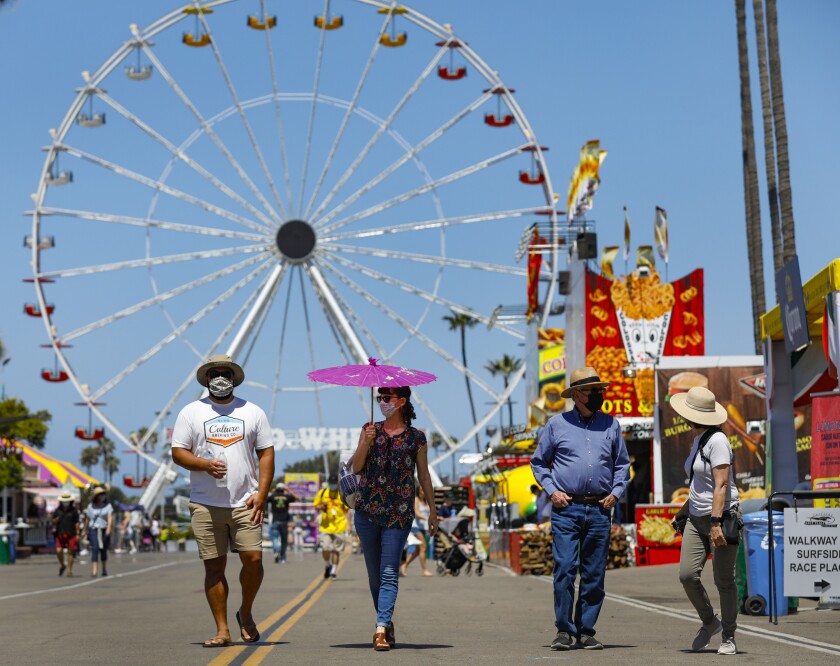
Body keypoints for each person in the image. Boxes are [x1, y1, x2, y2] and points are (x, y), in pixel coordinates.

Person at [171, 354, 275, 648]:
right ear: (206, 379)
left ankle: (246, 611)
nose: (220, 378)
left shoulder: (252, 412)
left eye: (225, 373)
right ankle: (222, 630)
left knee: (253, 559)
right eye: (215, 373)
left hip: (246, 501)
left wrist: (262, 493)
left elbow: (266, 453)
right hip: (205, 502)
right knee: (214, 568)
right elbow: (178, 452)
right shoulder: (191, 413)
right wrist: (203, 465)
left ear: (233, 378)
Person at [530, 367, 630, 651]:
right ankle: (564, 630)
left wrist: (616, 492)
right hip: (567, 508)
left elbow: (622, 464)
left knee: (594, 572)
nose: (599, 395)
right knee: (564, 569)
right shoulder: (556, 425)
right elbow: (539, 463)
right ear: (576, 394)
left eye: (601, 390)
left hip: (600, 508)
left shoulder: (611, 425)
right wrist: (552, 492)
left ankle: (586, 630)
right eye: (592, 390)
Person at [350, 386, 439, 651]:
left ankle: (379, 629)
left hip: (399, 513)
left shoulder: (416, 439)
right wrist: (366, 441)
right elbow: (356, 467)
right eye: (379, 398)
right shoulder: (369, 430)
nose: (382, 403)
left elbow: (423, 476)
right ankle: (386, 622)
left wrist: (433, 510)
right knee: (374, 576)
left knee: (389, 572)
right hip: (367, 511)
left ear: (401, 402)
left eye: (386, 398)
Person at [670, 386, 741, 655]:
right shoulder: (698, 439)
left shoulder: (718, 441)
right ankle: (710, 622)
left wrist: (715, 523)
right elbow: (700, 483)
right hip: (696, 517)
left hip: (721, 518)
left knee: (724, 580)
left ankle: (729, 636)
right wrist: (685, 509)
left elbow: (721, 485)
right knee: (687, 575)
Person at [314, 474, 348, 579]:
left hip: (339, 525)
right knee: (325, 547)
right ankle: (327, 565)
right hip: (326, 525)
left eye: (334, 483)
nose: (333, 485)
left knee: (336, 550)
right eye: (331, 483)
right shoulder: (323, 493)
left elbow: (347, 510)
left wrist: (349, 524)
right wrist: (321, 507)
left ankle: (333, 570)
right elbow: (316, 506)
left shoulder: (342, 493)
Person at [401, 487, 433, 577]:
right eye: (421, 490)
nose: (423, 492)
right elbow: (417, 513)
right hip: (415, 526)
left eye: (424, 490)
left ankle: (404, 565)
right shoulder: (416, 500)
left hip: (422, 527)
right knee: (423, 547)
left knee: (418, 550)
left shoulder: (426, 502)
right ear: (418, 491)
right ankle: (424, 570)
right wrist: (427, 518)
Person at [83, 487, 114, 578]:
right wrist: (85, 530)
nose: (102, 496)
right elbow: (88, 519)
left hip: (104, 528)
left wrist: (109, 528)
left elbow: (110, 517)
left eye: (103, 494)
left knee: (103, 549)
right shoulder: (91, 506)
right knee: (95, 548)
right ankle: (94, 570)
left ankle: (104, 568)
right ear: (96, 496)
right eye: (100, 495)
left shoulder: (108, 506)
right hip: (93, 528)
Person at [52, 491, 80, 577]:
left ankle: (69, 570)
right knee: (59, 550)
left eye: (67, 501)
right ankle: (62, 565)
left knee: (70, 552)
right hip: (60, 533)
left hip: (71, 533)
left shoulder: (74, 511)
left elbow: (77, 523)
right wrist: (55, 520)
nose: (65, 503)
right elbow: (53, 519)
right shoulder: (58, 510)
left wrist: (78, 533)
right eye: (64, 501)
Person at [269, 481, 297, 563]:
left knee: (274, 538)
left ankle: (276, 550)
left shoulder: (273, 496)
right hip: (284, 522)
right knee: (284, 541)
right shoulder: (286, 496)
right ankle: (283, 557)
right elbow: (296, 498)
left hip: (275, 521)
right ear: (283, 489)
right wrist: (288, 490)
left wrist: (273, 492)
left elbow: (265, 500)